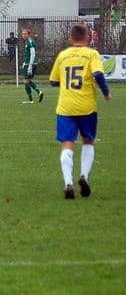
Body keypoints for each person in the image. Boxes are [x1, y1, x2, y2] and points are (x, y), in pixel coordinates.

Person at [49, 24, 111, 199]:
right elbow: (98, 75)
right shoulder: (92, 54)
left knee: (67, 143)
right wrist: (106, 92)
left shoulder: (63, 55)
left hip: (66, 107)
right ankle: (83, 175)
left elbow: (54, 81)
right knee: (88, 141)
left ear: (70, 39)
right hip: (87, 106)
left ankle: (68, 183)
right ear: (88, 39)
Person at [21, 28, 43, 103]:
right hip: (29, 63)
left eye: (25, 34)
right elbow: (29, 54)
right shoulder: (28, 41)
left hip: (30, 64)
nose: (24, 35)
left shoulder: (30, 42)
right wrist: (25, 62)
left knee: (25, 80)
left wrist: (30, 65)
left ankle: (31, 99)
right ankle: (39, 92)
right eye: (23, 34)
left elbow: (33, 54)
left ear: (29, 34)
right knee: (28, 80)